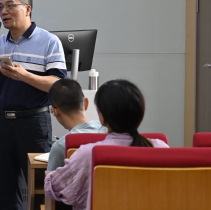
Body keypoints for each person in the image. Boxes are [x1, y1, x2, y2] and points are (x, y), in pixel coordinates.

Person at [0, 0, 67, 210]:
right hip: (1, 122)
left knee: (40, 188)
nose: (3, 11)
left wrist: (24, 75)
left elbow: (58, 84)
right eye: (0, 7)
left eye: (10, 5)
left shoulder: (48, 41)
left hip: (33, 123)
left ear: (27, 8)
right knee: (6, 188)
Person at [44, 79, 169, 210]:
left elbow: (52, 187)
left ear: (102, 117)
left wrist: (69, 166)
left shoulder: (87, 154)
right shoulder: (162, 149)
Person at [47, 78, 106, 171]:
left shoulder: (61, 146)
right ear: (86, 103)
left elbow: (50, 178)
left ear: (55, 111)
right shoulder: (108, 131)